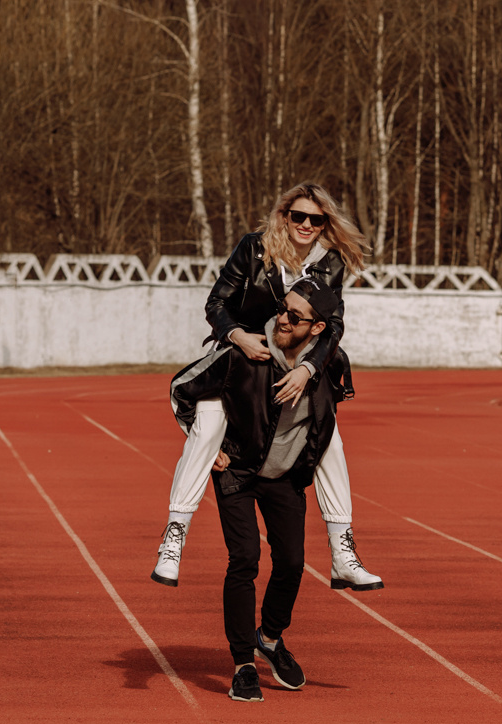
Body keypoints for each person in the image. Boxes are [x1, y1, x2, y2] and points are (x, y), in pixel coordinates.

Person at [151, 183, 382, 593]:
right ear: (284, 216)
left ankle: (342, 551)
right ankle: (174, 538)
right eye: (299, 216)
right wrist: (238, 335)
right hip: (243, 357)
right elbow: (216, 303)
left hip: (294, 361)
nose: (307, 225)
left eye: (317, 218)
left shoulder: (331, 261)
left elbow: (334, 324)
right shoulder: (254, 247)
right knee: (207, 427)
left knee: (330, 439)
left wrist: (309, 368)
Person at [187, 280, 340, 701]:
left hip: (285, 476)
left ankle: (269, 638)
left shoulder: (329, 363)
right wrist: (207, 444)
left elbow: (330, 414)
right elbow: (182, 390)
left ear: (317, 328)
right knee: (245, 559)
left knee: (292, 562)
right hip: (236, 469)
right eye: (283, 309)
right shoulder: (244, 354)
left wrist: (306, 464)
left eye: (295, 316)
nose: (283, 319)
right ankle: (243, 663)